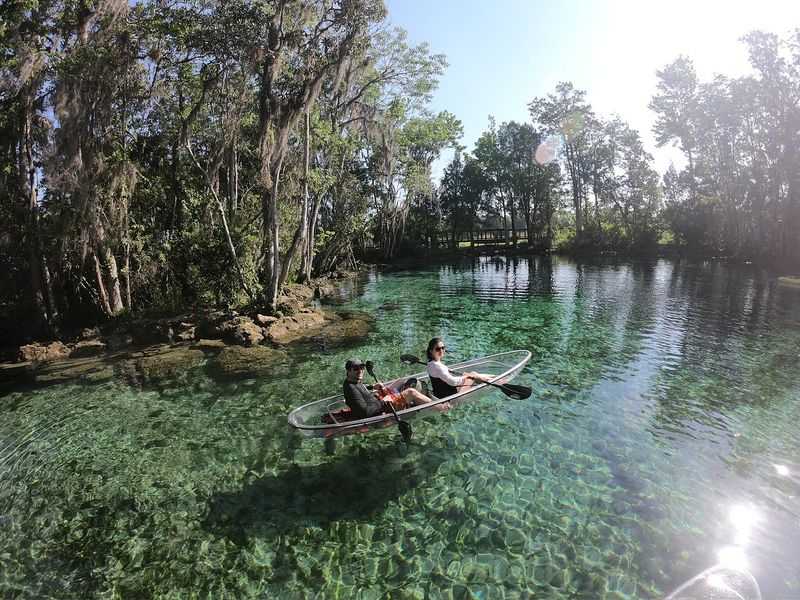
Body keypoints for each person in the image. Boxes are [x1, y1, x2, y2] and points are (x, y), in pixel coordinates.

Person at [342, 357, 431, 418]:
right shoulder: (351, 389)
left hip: (379, 400)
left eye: (362, 368)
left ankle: (403, 398)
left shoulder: (352, 381)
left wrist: (373, 386)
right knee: (411, 392)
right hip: (383, 408)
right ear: (348, 370)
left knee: (399, 382)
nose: (360, 371)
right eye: (356, 369)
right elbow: (366, 412)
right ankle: (438, 405)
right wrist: (383, 401)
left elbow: (360, 387)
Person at [426, 338, 493, 398]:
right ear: (431, 351)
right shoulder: (437, 366)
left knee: (472, 374)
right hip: (450, 395)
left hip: (441, 393)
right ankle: (496, 381)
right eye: (438, 349)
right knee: (472, 376)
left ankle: (494, 378)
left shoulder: (430, 363)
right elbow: (452, 382)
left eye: (443, 348)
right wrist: (465, 377)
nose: (441, 350)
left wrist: (465, 376)